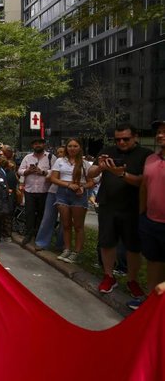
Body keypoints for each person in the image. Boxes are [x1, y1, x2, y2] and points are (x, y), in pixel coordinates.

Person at [86, 123, 152, 298]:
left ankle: (132, 280)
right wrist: (101, 167)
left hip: (133, 207)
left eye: (125, 139)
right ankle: (109, 276)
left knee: (133, 246)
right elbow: (91, 173)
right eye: (118, 139)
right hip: (108, 204)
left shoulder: (146, 155)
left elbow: (143, 182)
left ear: (135, 137)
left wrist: (121, 174)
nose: (121, 142)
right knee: (107, 242)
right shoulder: (107, 150)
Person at [128, 119, 165, 310]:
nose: (160, 135)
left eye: (164, 132)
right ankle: (151, 302)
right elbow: (144, 187)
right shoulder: (151, 159)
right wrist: (142, 214)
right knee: (153, 261)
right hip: (150, 221)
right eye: (159, 131)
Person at [50, 138, 95, 264]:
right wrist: (68, 185)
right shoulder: (60, 161)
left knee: (78, 226)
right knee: (66, 224)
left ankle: (77, 252)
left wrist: (82, 187)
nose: (72, 148)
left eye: (75, 146)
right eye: (69, 146)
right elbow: (53, 179)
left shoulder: (85, 164)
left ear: (80, 147)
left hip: (79, 195)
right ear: (66, 148)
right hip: (63, 193)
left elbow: (91, 182)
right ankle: (67, 249)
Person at [18, 138, 56, 245]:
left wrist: (42, 172)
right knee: (29, 213)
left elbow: (55, 172)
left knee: (42, 214)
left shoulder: (51, 157)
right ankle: (28, 234)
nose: (37, 145)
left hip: (45, 190)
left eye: (39, 143)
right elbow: (20, 171)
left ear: (44, 145)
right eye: (35, 144)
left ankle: (39, 236)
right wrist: (27, 171)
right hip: (30, 190)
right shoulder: (27, 157)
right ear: (32, 146)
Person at [34, 146, 66, 251]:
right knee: (48, 218)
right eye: (58, 152)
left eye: (62, 151)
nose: (60, 154)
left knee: (65, 221)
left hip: (68, 193)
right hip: (53, 191)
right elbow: (49, 177)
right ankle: (41, 243)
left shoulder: (79, 163)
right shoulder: (58, 162)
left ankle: (61, 245)